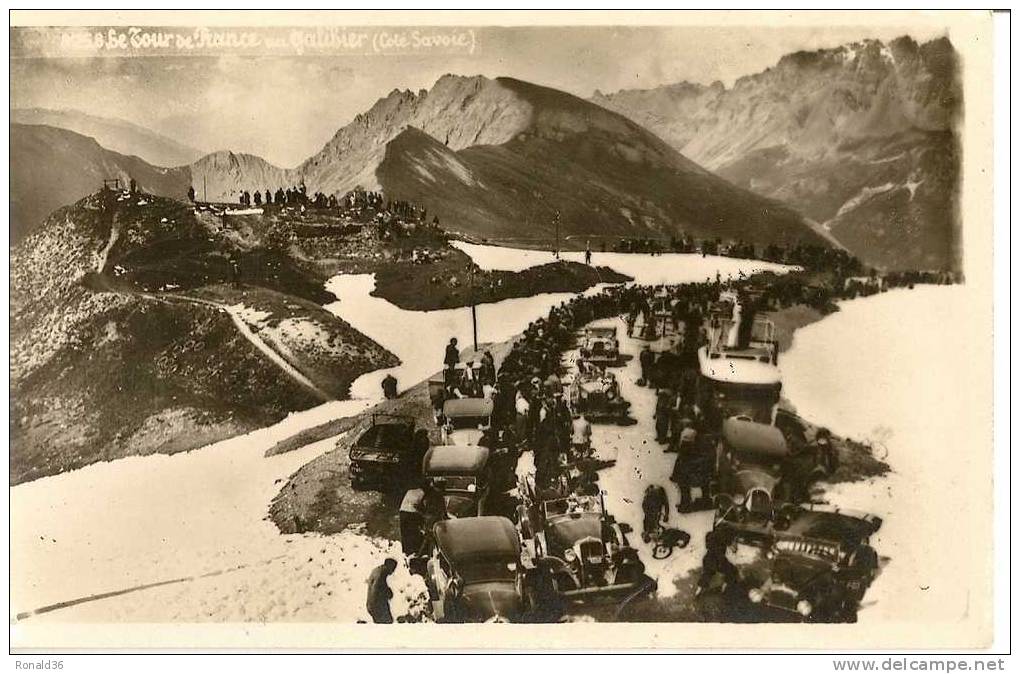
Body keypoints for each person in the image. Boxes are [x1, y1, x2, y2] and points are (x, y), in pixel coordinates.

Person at [695, 528, 739, 598]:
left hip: (707, 559)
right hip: (719, 561)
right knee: (733, 571)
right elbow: (734, 549)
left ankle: (698, 590)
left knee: (707, 573)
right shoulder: (726, 539)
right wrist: (733, 544)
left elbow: (708, 546)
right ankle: (723, 588)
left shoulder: (709, 535)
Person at [366, 558, 397, 623]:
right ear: (389, 567)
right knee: (388, 622)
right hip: (377, 605)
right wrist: (388, 593)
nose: (393, 571)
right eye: (393, 569)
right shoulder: (382, 573)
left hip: (372, 604)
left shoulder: (377, 570)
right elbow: (378, 588)